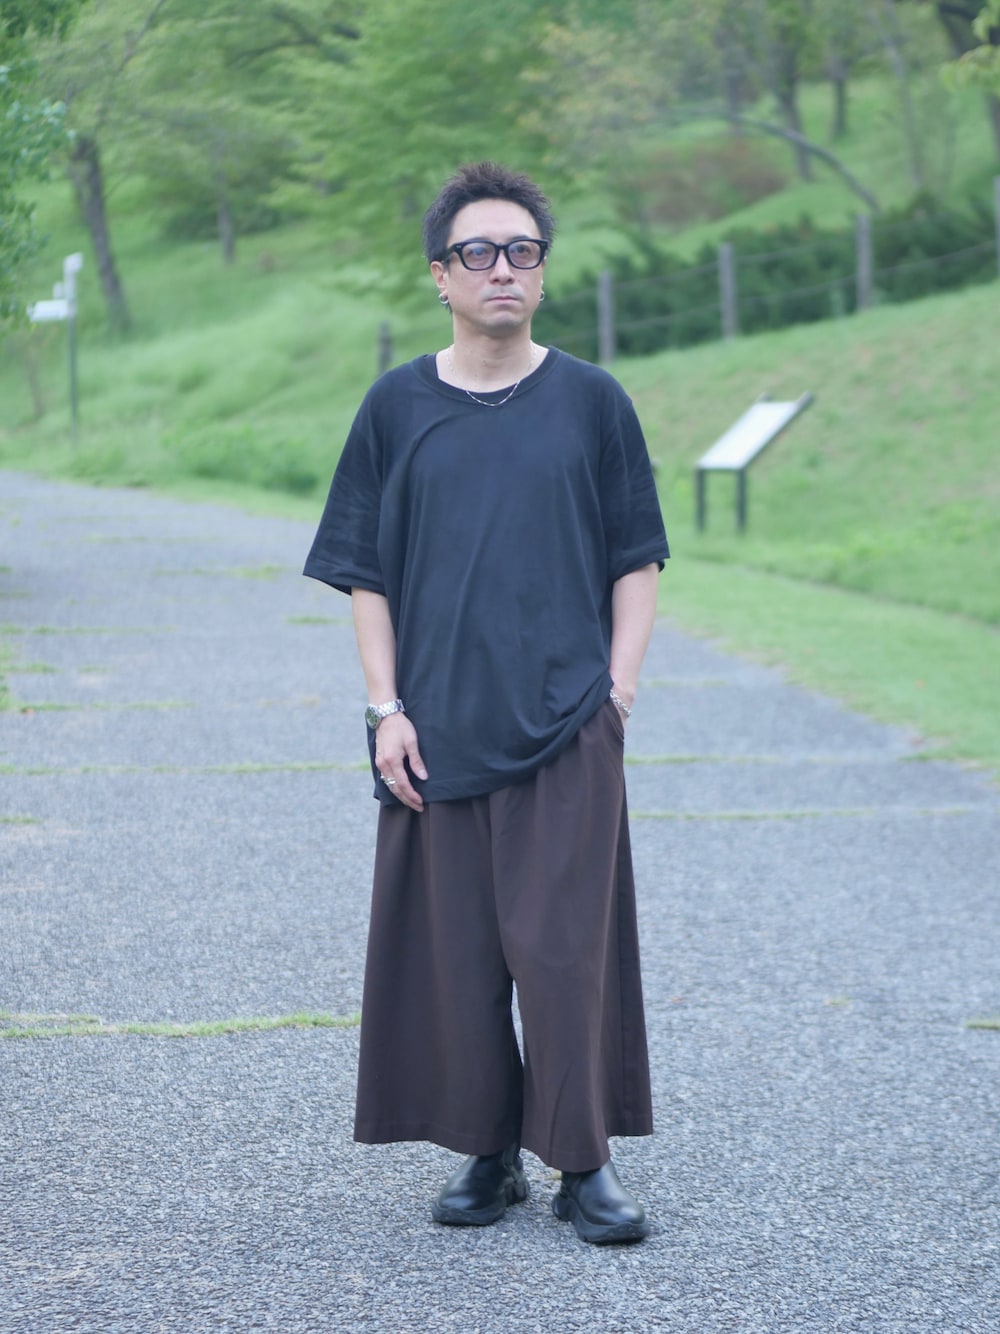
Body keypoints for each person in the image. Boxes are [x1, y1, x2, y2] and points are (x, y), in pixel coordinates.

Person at [304, 161, 669, 1245]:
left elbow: (636, 559)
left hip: (565, 725)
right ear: (440, 274)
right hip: (436, 730)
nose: (501, 268)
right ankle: (487, 1151)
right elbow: (366, 572)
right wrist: (385, 710)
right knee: (456, 959)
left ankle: (582, 1163)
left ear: (542, 275)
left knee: (561, 957)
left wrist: (616, 694)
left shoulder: (592, 402)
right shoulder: (395, 406)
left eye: (521, 251)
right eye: (478, 252)